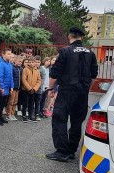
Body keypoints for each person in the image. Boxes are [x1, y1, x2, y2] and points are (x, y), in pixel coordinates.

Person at [46, 27, 98, 162]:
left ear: (70, 37)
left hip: (67, 91)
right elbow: (93, 75)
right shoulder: (90, 53)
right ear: (82, 37)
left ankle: (62, 151)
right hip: (82, 93)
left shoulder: (65, 51)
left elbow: (54, 73)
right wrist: (86, 88)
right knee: (77, 122)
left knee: (59, 119)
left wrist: (50, 89)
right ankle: (71, 151)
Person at [0, 48, 13, 125]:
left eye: (10, 54)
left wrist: (11, 86)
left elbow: (11, 76)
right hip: (0, 89)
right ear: (3, 55)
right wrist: (1, 88)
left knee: (3, 104)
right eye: (8, 54)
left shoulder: (9, 64)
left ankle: (0, 116)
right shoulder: (0, 64)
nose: (10, 55)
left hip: (7, 88)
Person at [21, 57, 41, 123]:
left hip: (33, 90)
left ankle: (30, 115)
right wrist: (29, 88)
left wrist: (35, 88)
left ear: (35, 63)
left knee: (31, 103)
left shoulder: (37, 70)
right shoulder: (25, 69)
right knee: (25, 103)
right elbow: (24, 80)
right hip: (26, 90)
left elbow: (39, 81)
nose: (31, 63)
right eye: (30, 62)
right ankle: (24, 115)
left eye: (33, 62)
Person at [6, 56, 23, 121]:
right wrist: (11, 87)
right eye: (19, 61)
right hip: (13, 87)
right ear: (15, 61)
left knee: (15, 101)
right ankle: (8, 114)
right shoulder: (12, 68)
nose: (20, 63)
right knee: (11, 101)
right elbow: (11, 78)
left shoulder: (21, 69)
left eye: (21, 62)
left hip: (18, 88)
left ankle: (12, 114)